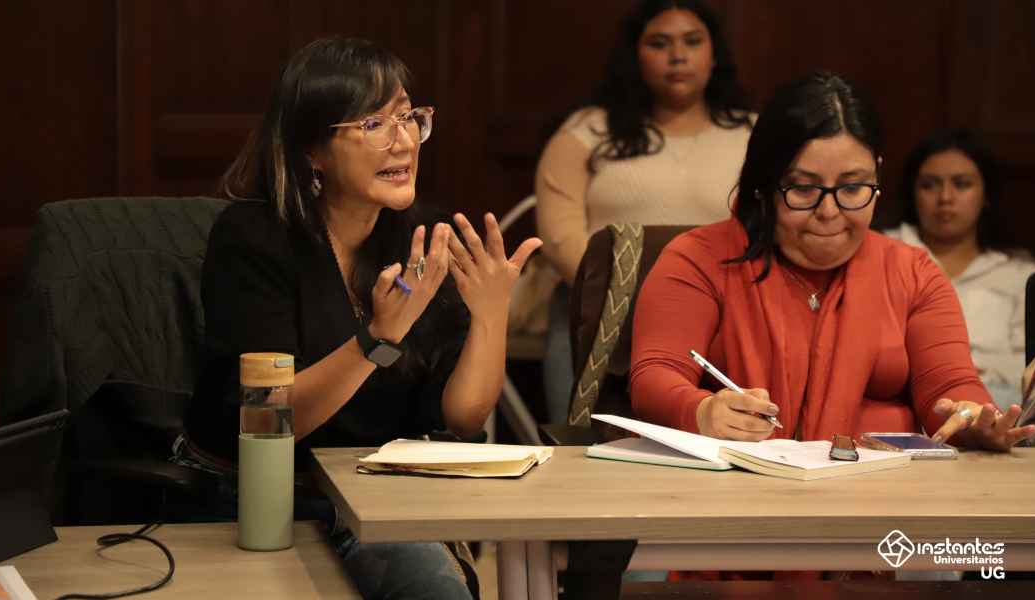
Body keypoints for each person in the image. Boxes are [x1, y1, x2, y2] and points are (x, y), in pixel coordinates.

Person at [185, 37, 540, 600]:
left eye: (408, 117)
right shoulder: (255, 238)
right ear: (313, 151)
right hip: (251, 497)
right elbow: (270, 420)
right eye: (373, 124)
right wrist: (377, 339)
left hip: (375, 497)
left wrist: (492, 314)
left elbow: (464, 416)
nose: (403, 141)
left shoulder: (421, 237)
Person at [631, 71, 1035, 453]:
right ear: (764, 185)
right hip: (733, 487)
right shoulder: (699, 259)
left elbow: (951, 387)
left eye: (853, 187)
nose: (829, 213)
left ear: (877, 175)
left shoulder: (914, 273)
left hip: (879, 490)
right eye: (803, 189)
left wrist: (973, 419)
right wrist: (702, 411)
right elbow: (655, 375)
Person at [535, 0, 752, 423]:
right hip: (600, 317)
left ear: (714, 54)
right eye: (659, 43)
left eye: (692, 41)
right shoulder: (586, 132)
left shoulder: (752, 134)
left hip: (726, 322)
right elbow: (561, 242)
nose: (678, 55)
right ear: (635, 56)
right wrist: (629, 301)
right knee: (583, 454)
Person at [886, 130, 1035, 411]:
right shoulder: (883, 253)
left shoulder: (1020, 275)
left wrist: (962, 370)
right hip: (902, 401)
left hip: (1000, 404)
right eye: (929, 185)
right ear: (912, 193)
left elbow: (1031, 367)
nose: (945, 197)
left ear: (986, 194)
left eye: (961, 184)